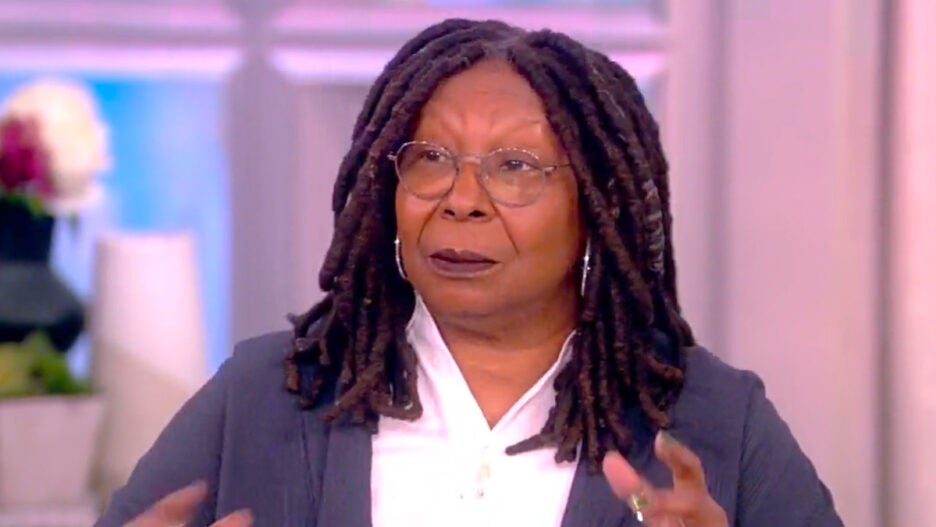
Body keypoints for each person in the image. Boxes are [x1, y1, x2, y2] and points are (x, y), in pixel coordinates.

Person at [97, 18, 843, 527]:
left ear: (596, 205)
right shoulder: (265, 395)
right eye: (430, 159)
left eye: (514, 167)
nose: (460, 200)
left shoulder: (716, 419)